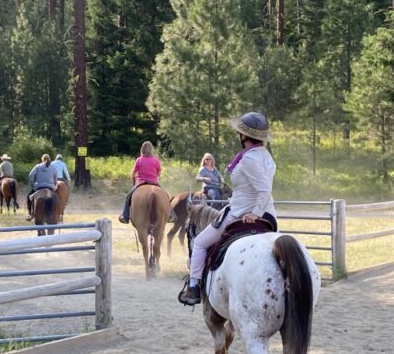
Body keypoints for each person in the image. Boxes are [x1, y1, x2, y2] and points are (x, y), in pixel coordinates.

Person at [179, 112, 276, 306]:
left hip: (241, 212)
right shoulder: (266, 156)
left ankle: (194, 286)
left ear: (244, 136)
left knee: (199, 243)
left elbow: (264, 188)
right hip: (270, 214)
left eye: (240, 132)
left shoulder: (248, 159)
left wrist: (255, 212)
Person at [118, 141, 162, 224]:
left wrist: (134, 178)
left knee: (128, 197)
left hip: (141, 183)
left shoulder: (139, 160)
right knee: (165, 195)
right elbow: (159, 172)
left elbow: (133, 173)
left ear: (142, 149)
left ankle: (125, 216)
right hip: (154, 183)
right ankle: (170, 213)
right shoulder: (156, 160)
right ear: (151, 150)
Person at [27, 153, 58, 220]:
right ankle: (59, 213)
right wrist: (54, 185)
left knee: (28, 197)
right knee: (58, 198)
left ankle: (30, 213)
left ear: (42, 159)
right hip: (50, 187)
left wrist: (33, 184)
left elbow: (30, 175)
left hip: (39, 187)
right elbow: (56, 179)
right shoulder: (53, 168)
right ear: (49, 159)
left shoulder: (37, 166)